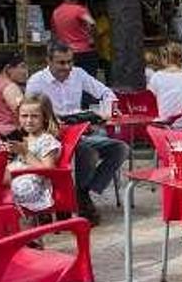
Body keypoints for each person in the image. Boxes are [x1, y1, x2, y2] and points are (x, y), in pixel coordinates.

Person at [26, 41, 129, 222]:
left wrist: (108, 109)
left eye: (69, 62)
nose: (67, 67)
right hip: (52, 135)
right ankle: (78, 197)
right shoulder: (36, 81)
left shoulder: (78, 74)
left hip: (79, 129)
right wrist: (52, 122)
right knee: (87, 152)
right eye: (61, 63)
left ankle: (83, 191)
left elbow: (106, 93)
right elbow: (30, 114)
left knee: (120, 149)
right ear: (48, 61)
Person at [5, 95, 62, 213]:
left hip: (32, 185)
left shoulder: (46, 140)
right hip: (15, 177)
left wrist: (25, 153)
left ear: (45, 118)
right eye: (24, 116)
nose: (29, 120)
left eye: (35, 116)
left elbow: (48, 170)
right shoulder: (24, 138)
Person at [51, 0, 99, 76]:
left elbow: (54, 33)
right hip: (84, 51)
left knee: (69, 79)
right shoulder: (79, 10)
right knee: (88, 80)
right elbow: (92, 23)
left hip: (66, 52)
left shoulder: (56, 12)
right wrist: (92, 38)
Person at [0, 51, 25, 143]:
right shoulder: (9, 86)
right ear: (8, 69)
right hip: (6, 137)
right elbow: (23, 113)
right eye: (22, 66)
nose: (25, 71)